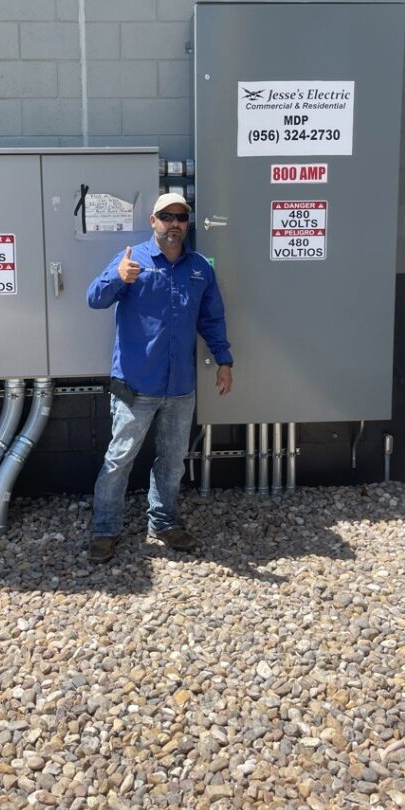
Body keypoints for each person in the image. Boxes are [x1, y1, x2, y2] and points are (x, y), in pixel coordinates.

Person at [86, 192, 233, 563]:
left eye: (181, 217)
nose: (174, 224)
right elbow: (94, 299)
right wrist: (118, 280)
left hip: (180, 386)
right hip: (136, 385)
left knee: (172, 460)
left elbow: (211, 319)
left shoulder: (199, 268)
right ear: (153, 222)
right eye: (166, 216)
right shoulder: (131, 260)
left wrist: (224, 360)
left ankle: (164, 523)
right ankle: (106, 529)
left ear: (187, 224)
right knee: (119, 459)